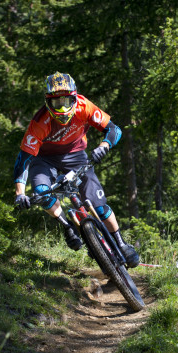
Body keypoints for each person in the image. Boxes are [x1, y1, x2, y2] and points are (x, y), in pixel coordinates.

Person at [12, 72, 139, 268]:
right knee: (41, 192)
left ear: (75, 97)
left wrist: (103, 146)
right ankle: (67, 225)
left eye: (66, 101)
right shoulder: (39, 123)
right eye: (56, 103)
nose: (62, 108)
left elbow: (114, 129)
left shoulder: (84, 106)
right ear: (48, 102)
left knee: (98, 204)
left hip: (76, 153)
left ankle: (120, 243)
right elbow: (23, 160)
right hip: (44, 160)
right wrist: (20, 194)